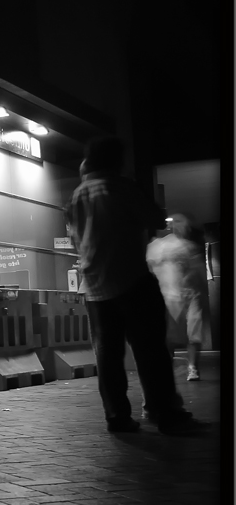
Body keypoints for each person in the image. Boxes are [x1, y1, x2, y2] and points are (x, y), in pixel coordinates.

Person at [65, 136, 201, 434]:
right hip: (129, 278)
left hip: (94, 286)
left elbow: (75, 236)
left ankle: (117, 416)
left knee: (108, 354)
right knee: (150, 349)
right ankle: (163, 411)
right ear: (116, 160)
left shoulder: (77, 194)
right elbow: (152, 217)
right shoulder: (119, 185)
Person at [146, 213, 207, 382]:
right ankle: (166, 368)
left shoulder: (189, 247)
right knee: (168, 336)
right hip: (168, 296)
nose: (180, 226)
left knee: (193, 332)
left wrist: (198, 287)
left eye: (183, 223)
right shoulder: (158, 246)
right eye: (177, 223)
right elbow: (149, 270)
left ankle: (192, 367)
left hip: (190, 295)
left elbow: (199, 271)